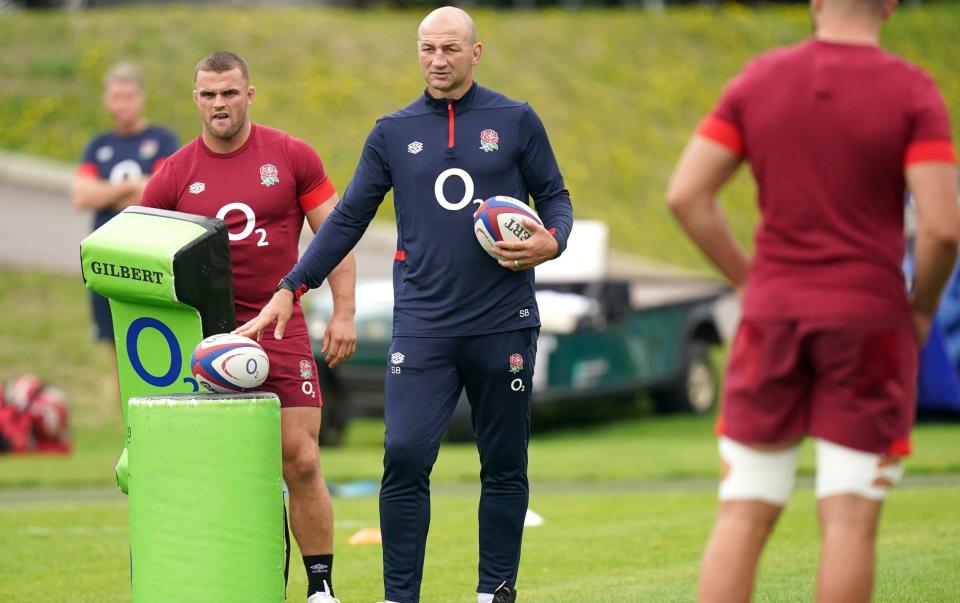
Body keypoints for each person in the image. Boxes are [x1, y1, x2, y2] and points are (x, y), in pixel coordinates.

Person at [236, 8, 573, 603]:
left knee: (502, 462)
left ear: (476, 53)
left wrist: (553, 240)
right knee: (404, 454)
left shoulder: (515, 120)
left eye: (449, 48)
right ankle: (400, 597)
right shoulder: (392, 131)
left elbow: (554, 197)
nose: (437, 59)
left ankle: (493, 592)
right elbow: (345, 221)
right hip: (423, 325)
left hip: (503, 322)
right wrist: (293, 285)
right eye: (427, 49)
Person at [665, 0, 959, 601]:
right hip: (869, 320)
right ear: (891, 4)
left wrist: (748, 279)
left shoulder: (760, 78)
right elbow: (943, 230)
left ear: (815, 2)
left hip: (772, 313)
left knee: (744, 509)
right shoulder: (912, 91)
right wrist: (922, 307)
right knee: (849, 519)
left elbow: (687, 195)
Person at [140, 51, 356, 603]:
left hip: (281, 328)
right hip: (205, 338)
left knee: (301, 459)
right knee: (222, 472)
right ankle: (237, 582)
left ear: (250, 95)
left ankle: (320, 589)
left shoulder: (290, 155)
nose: (219, 104)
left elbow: (335, 238)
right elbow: (141, 260)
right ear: (195, 99)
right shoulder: (171, 175)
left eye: (230, 93)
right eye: (209, 94)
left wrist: (344, 311)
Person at [71, 63, 179, 403]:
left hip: (149, 257)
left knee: (156, 345)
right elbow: (82, 195)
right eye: (116, 97)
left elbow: (161, 193)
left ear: (141, 98)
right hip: (106, 260)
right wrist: (132, 186)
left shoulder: (161, 140)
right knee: (117, 352)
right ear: (107, 100)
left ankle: (162, 425)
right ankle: (130, 436)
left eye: (129, 96)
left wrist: (112, 190)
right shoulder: (98, 146)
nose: (123, 104)